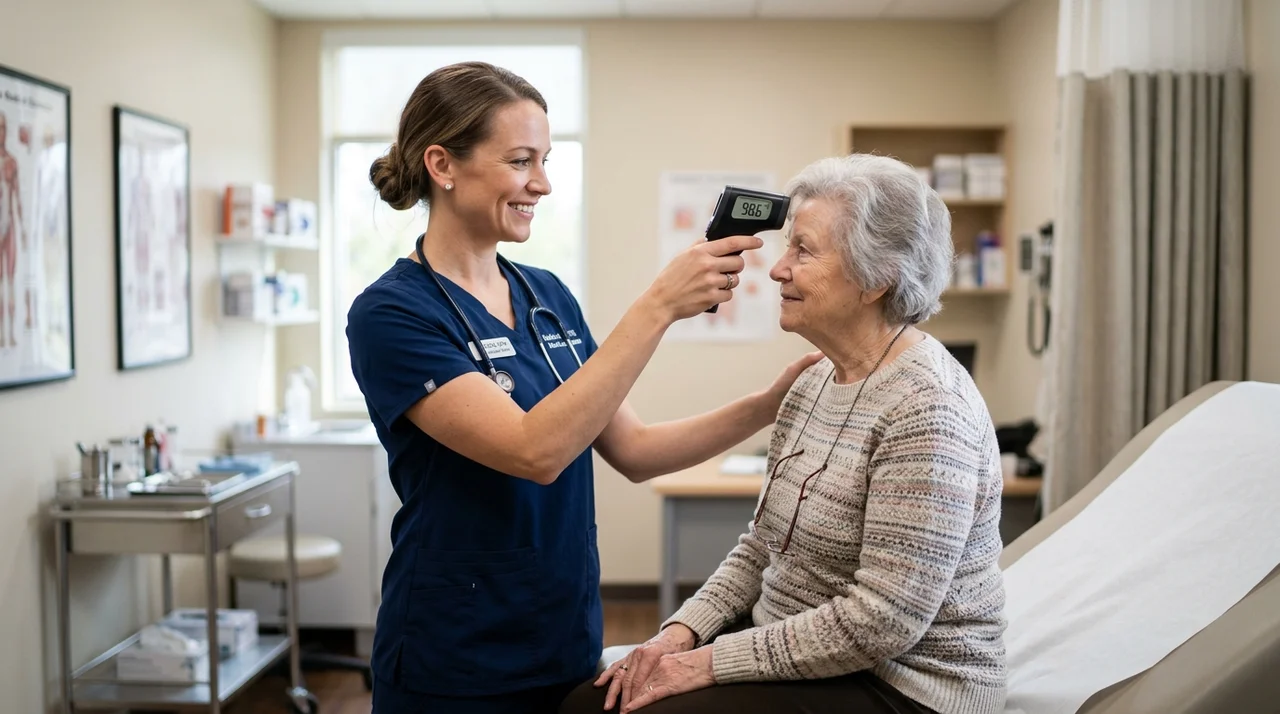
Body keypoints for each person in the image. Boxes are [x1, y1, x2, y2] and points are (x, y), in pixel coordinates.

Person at [344, 61, 822, 714]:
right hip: (455, 658)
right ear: (442, 164)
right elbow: (533, 451)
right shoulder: (393, 314)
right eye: (520, 161)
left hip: (564, 641)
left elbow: (635, 449)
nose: (540, 184)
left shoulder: (546, 297)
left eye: (544, 160)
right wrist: (657, 306)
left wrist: (767, 407)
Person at [565, 154, 1008, 714]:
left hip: (902, 682)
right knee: (588, 704)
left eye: (803, 250)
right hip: (799, 643)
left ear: (878, 278)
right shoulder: (814, 379)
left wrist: (704, 664)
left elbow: (882, 623)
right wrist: (677, 635)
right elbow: (763, 543)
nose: (777, 269)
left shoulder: (928, 409)